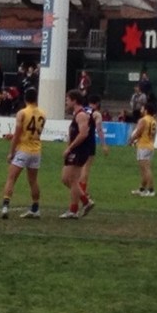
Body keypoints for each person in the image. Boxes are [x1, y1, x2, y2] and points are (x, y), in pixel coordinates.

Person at [0, 87, 45, 220]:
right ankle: (35, 208)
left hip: (23, 150)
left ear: (25, 98)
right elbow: (30, 132)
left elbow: (20, 133)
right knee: (33, 181)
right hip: (36, 150)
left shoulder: (22, 113)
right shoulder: (43, 113)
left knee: (11, 178)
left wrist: (11, 152)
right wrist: (14, 136)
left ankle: (5, 206)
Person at [59, 90, 95, 219]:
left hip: (79, 150)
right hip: (75, 150)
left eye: (67, 100)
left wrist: (70, 148)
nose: (66, 102)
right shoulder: (76, 115)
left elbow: (83, 134)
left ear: (74, 100)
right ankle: (86, 201)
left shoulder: (81, 115)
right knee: (65, 179)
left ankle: (73, 210)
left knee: (72, 180)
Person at [79, 93, 109, 198]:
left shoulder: (81, 111)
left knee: (79, 166)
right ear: (97, 104)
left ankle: (77, 189)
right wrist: (104, 145)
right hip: (89, 141)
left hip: (79, 140)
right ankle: (82, 192)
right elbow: (99, 129)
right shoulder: (96, 114)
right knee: (86, 167)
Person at [129, 101, 157, 197]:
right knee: (144, 169)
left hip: (143, 146)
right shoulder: (153, 121)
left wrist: (131, 140)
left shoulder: (143, 120)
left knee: (146, 169)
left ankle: (151, 190)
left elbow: (138, 132)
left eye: (143, 108)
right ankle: (142, 189)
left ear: (146, 110)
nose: (141, 110)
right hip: (150, 145)